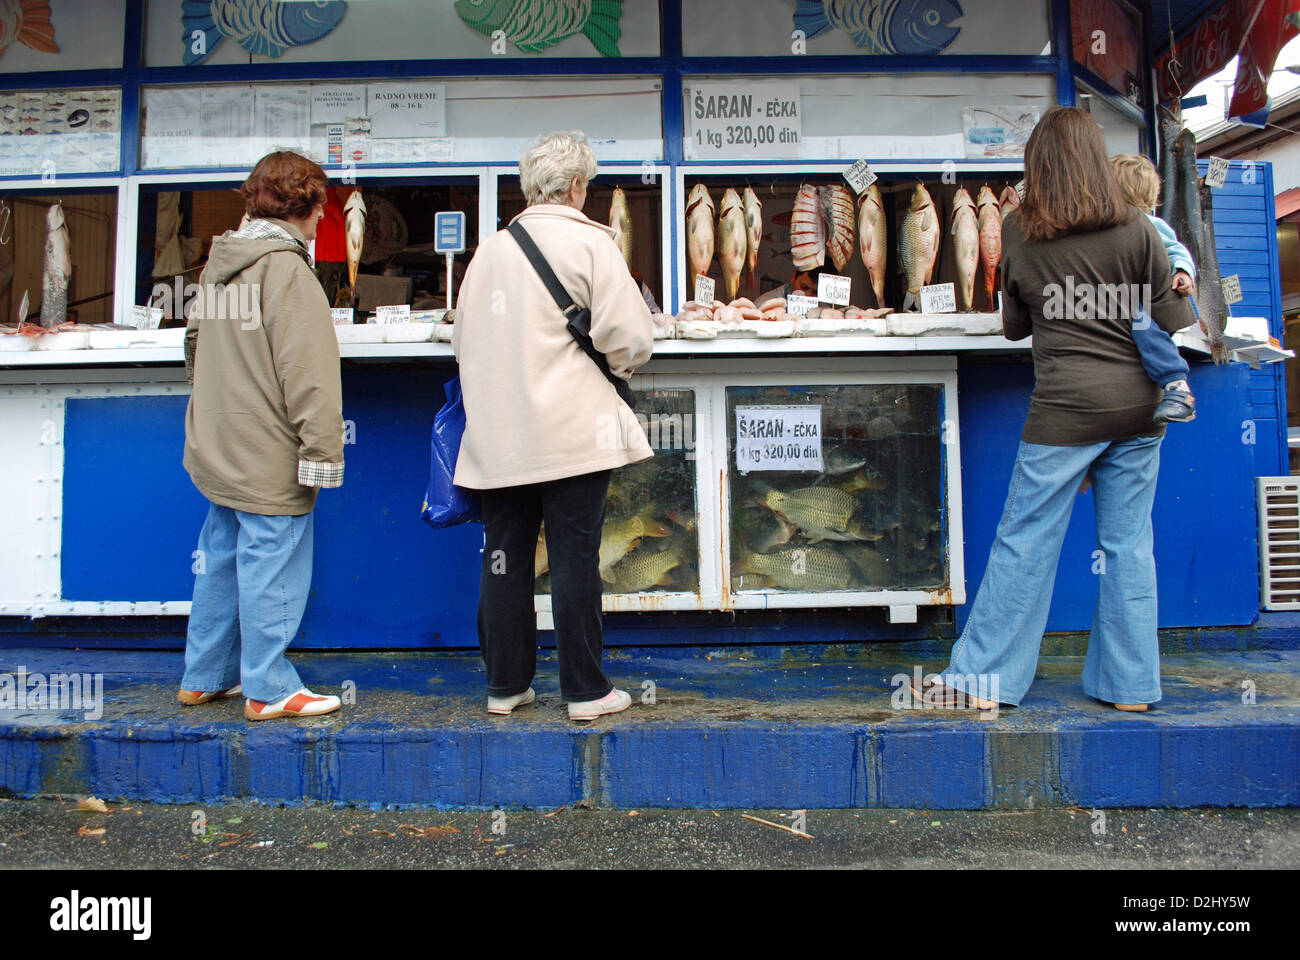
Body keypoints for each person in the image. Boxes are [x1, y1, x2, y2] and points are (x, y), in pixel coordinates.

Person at [920, 106, 1194, 714]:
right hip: (1141, 410)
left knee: (1026, 540)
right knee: (1128, 546)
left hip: (1066, 411)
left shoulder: (1020, 230)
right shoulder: (1141, 230)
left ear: (1038, 165)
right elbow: (1171, 321)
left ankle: (981, 681)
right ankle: (1131, 690)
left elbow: (1015, 326)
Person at [452, 131, 654, 722]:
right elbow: (631, 340)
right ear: (575, 187)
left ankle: (506, 685)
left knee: (505, 559)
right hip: (573, 436)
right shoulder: (592, 244)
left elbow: (463, 342)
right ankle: (586, 692)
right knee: (573, 557)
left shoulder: (489, 251)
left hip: (499, 438)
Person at [179, 151, 345, 721]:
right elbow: (311, 377)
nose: (325, 217)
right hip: (268, 451)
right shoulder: (287, 271)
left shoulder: (220, 263)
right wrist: (323, 454)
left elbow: (195, 346)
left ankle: (203, 677)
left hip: (220, 444)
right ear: (307, 205)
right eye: (322, 204)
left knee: (222, 558)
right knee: (272, 565)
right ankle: (270, 687)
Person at [1111, 153, 1197, 423]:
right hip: (1124, 299)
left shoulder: (1151, 225)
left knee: (1143, 327)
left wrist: (1183, 271)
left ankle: (1177, 384)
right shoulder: (1107, 226)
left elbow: (1176, 250)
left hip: (1142, 303)